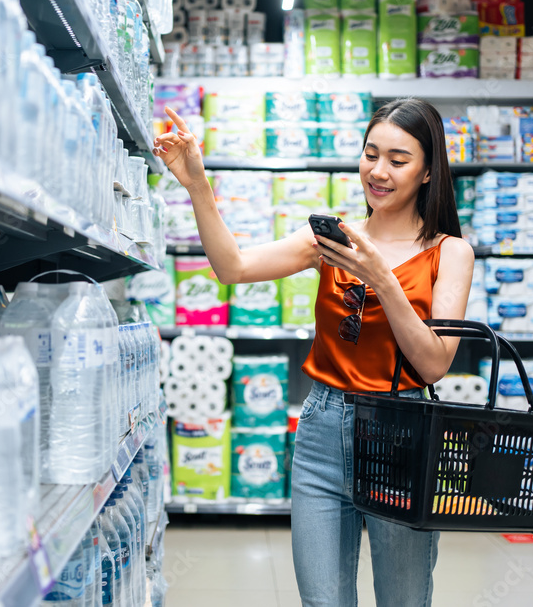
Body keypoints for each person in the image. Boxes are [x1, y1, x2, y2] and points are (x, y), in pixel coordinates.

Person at [153, 97, 475, 607]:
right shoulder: (331, 240)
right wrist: (197, 185)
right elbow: (232, 267)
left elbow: (434, 362)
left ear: (429, 170)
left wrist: (381, 280)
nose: (378, 171)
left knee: (404, 599)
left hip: (400, 434)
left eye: (398, 159)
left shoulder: (450, 251)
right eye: (371, 154)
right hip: (322, 429)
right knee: (322, 602)